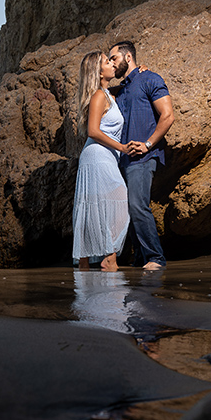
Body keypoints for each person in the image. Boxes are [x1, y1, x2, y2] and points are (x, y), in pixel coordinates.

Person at [108, 41, 175, 270]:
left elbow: (167, 115)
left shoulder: (150, 78)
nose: (111, 63)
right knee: (128, 209)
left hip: (143, 158)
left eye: (114, 58)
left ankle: (156, 258)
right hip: (123, 160)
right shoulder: (121, 89)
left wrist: (147, 144)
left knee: (138, 205)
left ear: (128, 57)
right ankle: (139, 259)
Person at [72, 51, 133, 272]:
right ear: (98, 72)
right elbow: (93, 131)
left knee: (97, 207)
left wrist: (139, 72)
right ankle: (108, 257)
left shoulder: (107, 95)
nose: (112, 64)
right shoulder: (98, 96)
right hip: (97, 156)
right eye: (108, 62)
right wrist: (122, 148)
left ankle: (86, 263)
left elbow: (125, 88)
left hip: (105, 157)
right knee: (116, 202)